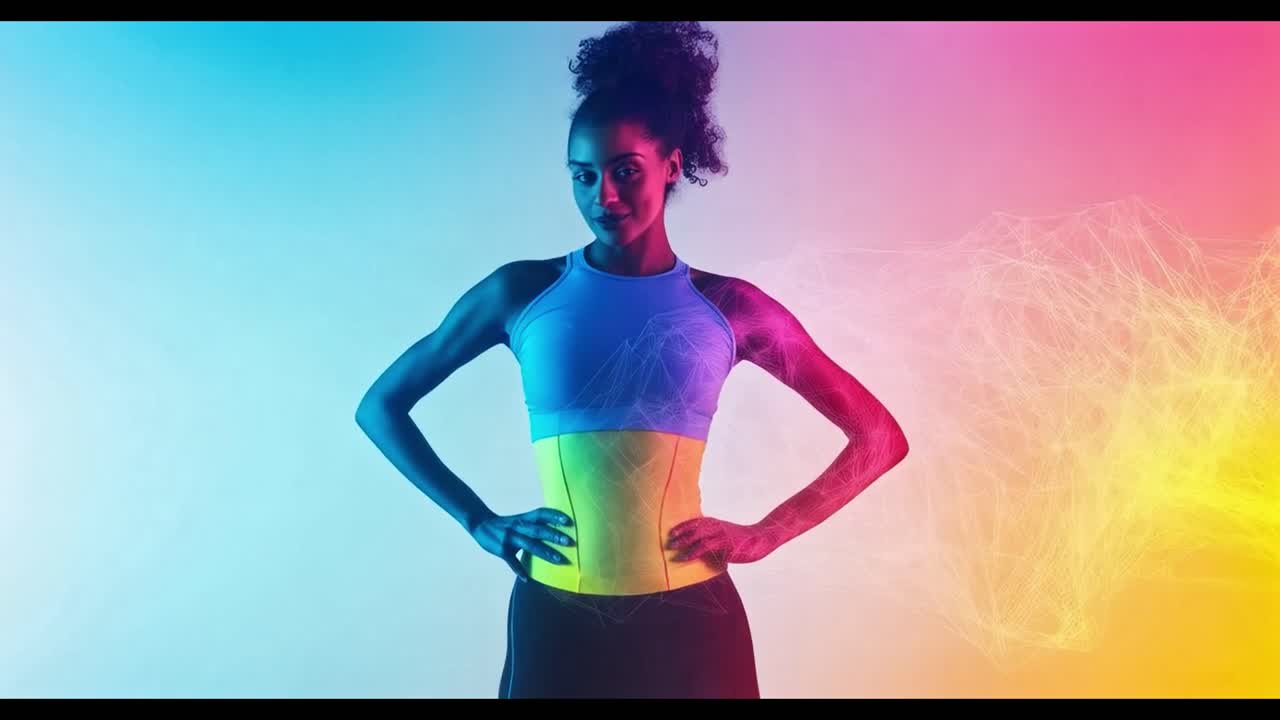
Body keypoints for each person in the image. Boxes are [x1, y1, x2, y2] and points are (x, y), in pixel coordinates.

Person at [355, 21, 910, 699]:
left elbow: (879, 437)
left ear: (673, 166)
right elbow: (379, 406)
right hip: (556, 619)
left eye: (626, 172)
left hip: (693, 626)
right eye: (583, 176)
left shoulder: (730, 308)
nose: (603, 197)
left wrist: (768, 533)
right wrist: (478, 519)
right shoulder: (521, 293)